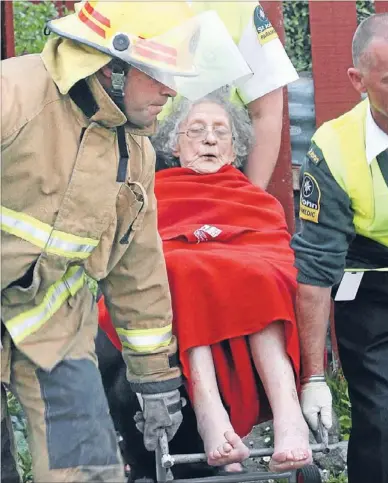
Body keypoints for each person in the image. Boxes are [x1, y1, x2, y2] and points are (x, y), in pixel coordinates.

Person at [0, 2, 248, 481]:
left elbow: (138, 268)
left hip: (50, 322)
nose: (170, 91)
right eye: (159, 75)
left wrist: (155, 377)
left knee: (89, 470)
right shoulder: (16, 95)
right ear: (113, 66)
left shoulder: (133, 149)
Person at [98, 91, 312, 475]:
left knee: (261, 275)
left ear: (234, 151)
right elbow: (141, 256)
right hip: (185, 292)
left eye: (220, 133)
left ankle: (289, 417)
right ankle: (211, 414)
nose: (209, 139)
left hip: (250, 297)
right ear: (175, 146)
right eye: (196, 130)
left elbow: (279, 260)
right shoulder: (154, 192)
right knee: (180, 269)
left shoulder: (257, 200)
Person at [291, 13, 388, 483]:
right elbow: (316, 271)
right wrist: (314, 378)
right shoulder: (332, 147)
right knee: (379, 423)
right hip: (372, 290)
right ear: (358, 81)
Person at [158, 1, 299, 189]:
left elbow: (266, 111)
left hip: (220, 162)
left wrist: (251, 198)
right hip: (141, 156)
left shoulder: (238, 6)